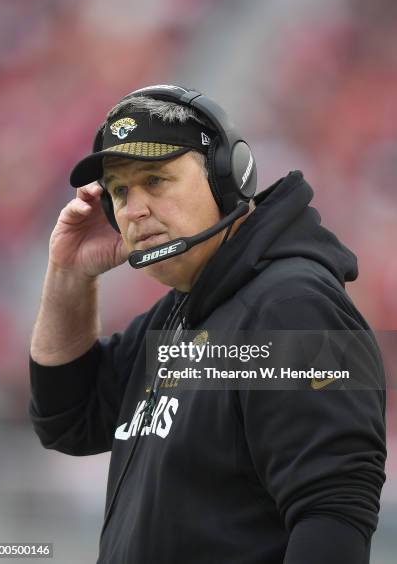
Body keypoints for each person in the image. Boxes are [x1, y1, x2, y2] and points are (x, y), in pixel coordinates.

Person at [29, 85, 386, 563]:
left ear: (228, 179)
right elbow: (68, 418)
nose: (133, 209)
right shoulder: (184, 312)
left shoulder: (292, 307)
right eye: (119, 191)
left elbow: (334, 513)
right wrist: (70, 273)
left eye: (155, 180)